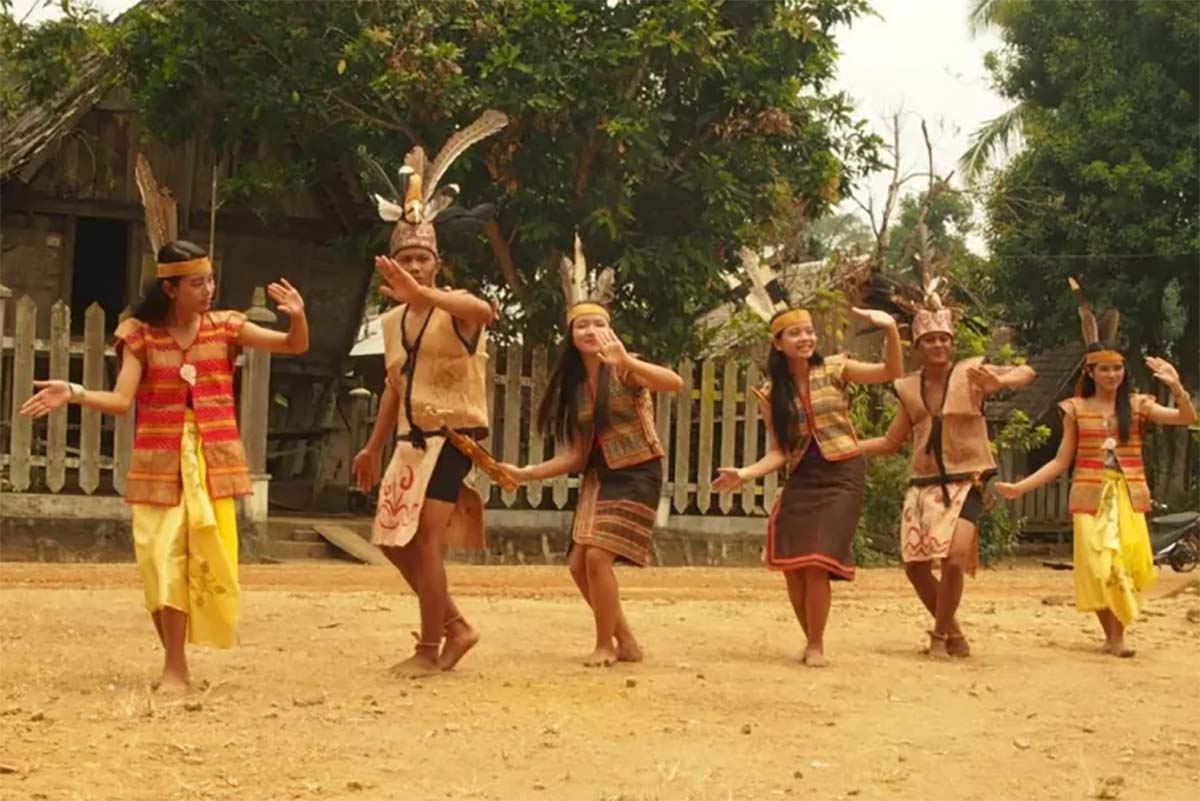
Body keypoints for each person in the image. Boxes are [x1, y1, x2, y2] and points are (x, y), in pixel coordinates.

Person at [20, 239, 309, 693]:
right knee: (160, 557)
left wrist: (297, 314)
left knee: (202, 558)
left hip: (209, 462)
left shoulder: (228, 327)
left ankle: (177, 665)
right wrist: (73, 392)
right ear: (170, 288)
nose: (208, 289)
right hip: (159, 461)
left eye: (210, 280)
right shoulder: (140, 334)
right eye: (198, 283)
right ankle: (175, 664)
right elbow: (120, 401)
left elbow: (294, 345)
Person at [352, 110, 507, 676]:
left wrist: (425, 294)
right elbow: (396, 386)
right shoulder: (392, 322)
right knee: (393, 541)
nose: (415, 266)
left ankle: (428, 646)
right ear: (391, 264)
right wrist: (372, 447)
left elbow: (483, 310)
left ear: (437, 264)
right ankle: (457, 626)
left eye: (423, 259)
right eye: (406, 259)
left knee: (423, 542)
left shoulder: (456, 307)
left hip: (453, 436)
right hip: (409, 441)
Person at [501, 236, 682, 667]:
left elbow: (673, 382)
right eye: (582, 326)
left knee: (598, 557)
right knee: (578, 565)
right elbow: (578, 457)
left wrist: (629, 362)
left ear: (610, 329)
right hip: (599, 478)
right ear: (571, 334)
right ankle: (628, 643)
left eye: (599, 325)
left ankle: (605, 646)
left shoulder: (628, 368)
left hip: (638, 472)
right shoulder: (575, 388)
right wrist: (524, 473)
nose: (591, 332)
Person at [996, 279, 1195, 657]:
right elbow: (1060, 461)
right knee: (1099, 566)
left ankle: (1116, 637)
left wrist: (1176, 385)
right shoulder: (1075, 409)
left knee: (1121, 564)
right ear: (1091, 373)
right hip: (1088, 497)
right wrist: (1020, 488)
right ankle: (1112, 635)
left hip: (1127, 496)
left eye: (1117, 369)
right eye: (1104, 370)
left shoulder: (1138, 405)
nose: (1112, 376)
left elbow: (1185, 417)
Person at [714, 289, 903, 667]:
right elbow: (779, 452)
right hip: (803, 478)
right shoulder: (770, 394)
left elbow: (890, 373)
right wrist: (746, 473)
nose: (805, 339)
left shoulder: (836, 368)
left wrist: (892, 331)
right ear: (778, 344)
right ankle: (809, 637)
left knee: (816, 562)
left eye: (809, 332)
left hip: (843, 473)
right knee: (794, 566)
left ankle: (816, 644)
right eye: (795, 334)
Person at [859, 290, 1034, 658]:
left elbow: (1027, 371)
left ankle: (938, 636)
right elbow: (892, 441)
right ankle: (954, 633)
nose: (937, 345)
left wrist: (999, 383)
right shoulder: (909, 388)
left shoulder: (973, 373)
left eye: (943, 338)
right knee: (915, 567)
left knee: (955, 557)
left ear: (951, 343)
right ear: (918, 346)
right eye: (930, 340)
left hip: (968, 478)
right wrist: (845, 447)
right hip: (922, 482)